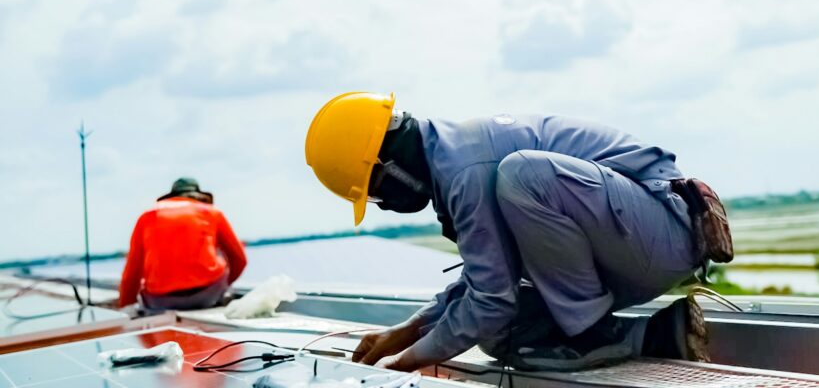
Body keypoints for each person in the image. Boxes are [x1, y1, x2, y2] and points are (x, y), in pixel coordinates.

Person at [305, 92, 711, 372]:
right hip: (632, 242)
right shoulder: (451, 162)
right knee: (502, 336)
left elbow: (491, 299)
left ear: (387, 168)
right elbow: (487, 280)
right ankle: (656, 335)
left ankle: (592, 332)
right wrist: (407, 331)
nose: (387, 204)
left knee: (524, 175)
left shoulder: (464, 169)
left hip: (664, 229)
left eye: (375, 194)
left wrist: (402, 365)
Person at [118, 177, 248, 312]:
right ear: (198, 195)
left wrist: (126, 307)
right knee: (221, 255)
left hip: (160, 301)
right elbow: (239, 259)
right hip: (208, 295)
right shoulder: (211, 212)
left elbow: (132, 271)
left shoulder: (147, 216)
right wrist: (225, 284)